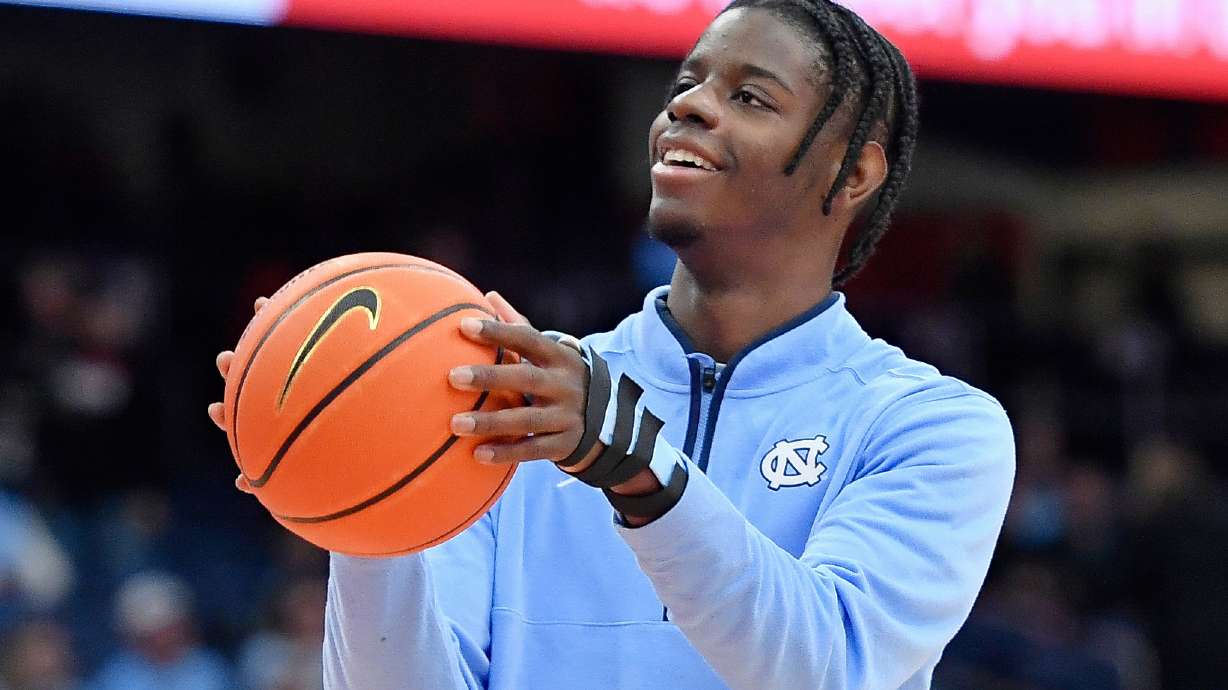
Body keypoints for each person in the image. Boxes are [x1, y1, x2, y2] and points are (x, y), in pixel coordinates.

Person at [208, 1, 1015, 687]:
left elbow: (825, 665)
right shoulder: (515, 396)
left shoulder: (933, 426)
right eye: (686, 85)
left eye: (750, 97)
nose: (689, 107)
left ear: (853, 173)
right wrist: (360, 494)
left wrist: (633, 462)